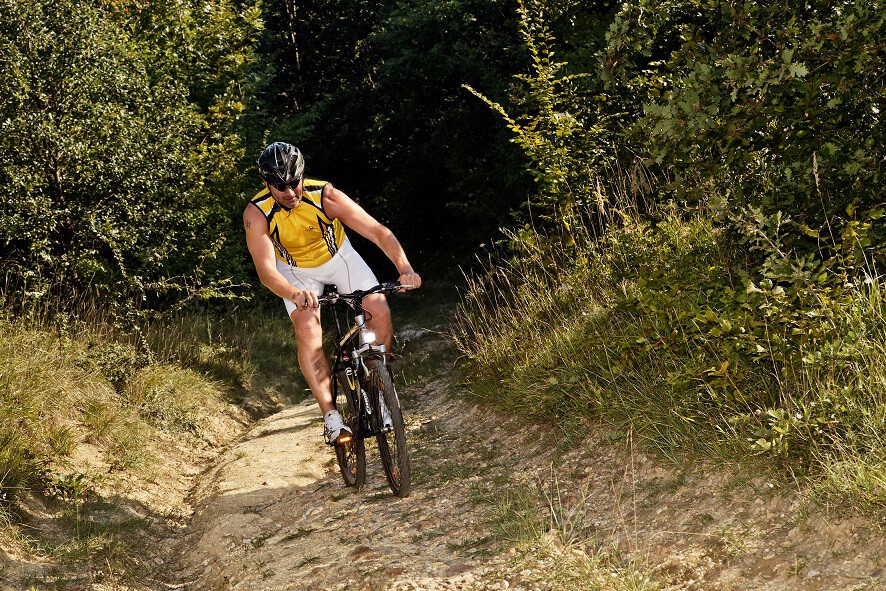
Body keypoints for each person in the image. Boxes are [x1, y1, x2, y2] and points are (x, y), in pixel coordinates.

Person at [243, 142, 421, 444]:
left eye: (294, 182)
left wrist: (405, 268)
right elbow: (266, 271)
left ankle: (378, 392)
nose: (290, 193)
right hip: (295, 272)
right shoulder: (257, 213)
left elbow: (378, 231)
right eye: (279, 186)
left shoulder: (326, 195)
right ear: (266, 183)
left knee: (379, 312)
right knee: (307, 327)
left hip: (339, 258)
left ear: (303, 176)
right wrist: (294, 294)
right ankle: (330, 415)